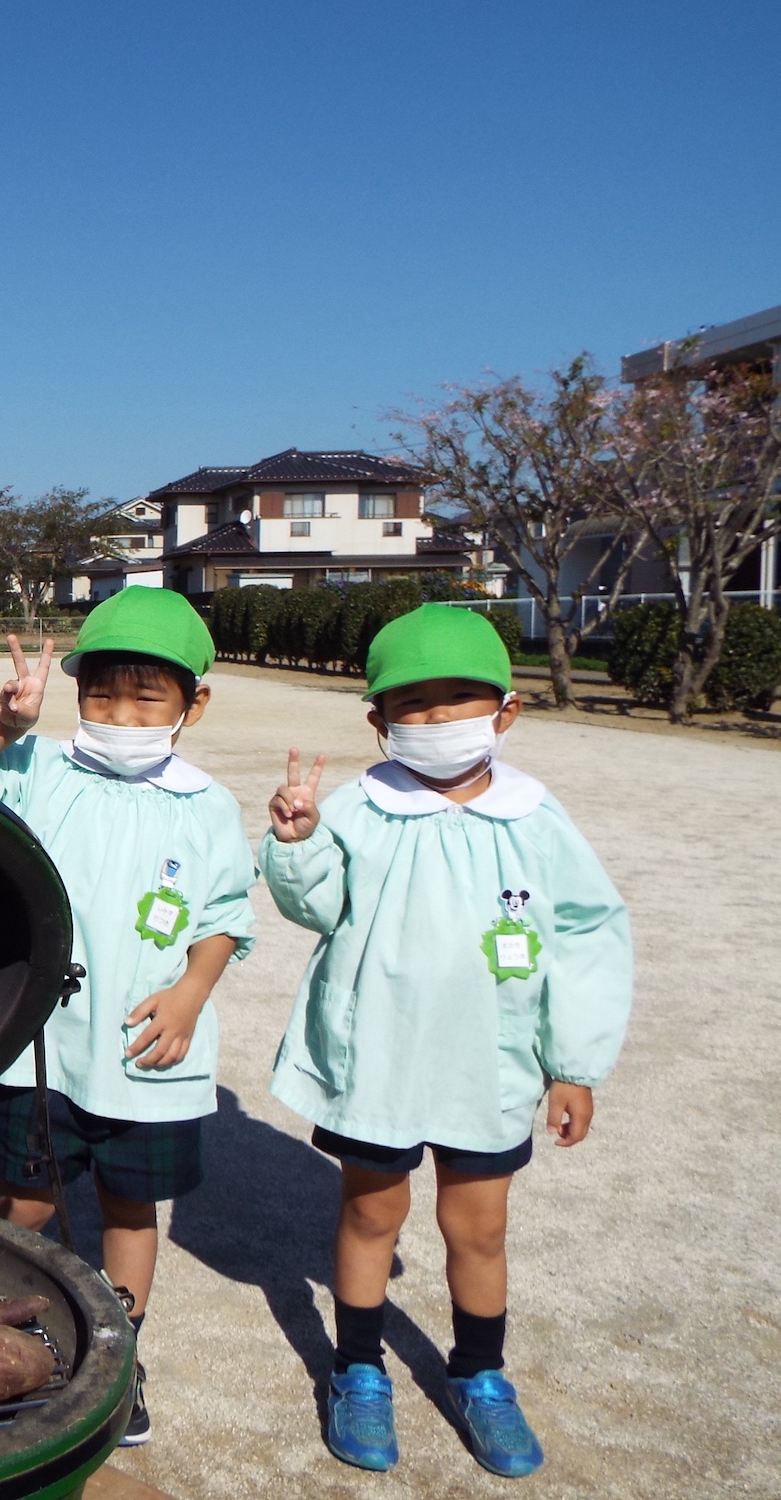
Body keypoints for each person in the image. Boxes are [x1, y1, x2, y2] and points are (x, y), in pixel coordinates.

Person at [262, 603, 631, 1479]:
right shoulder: (360, 807)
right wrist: (300, 843)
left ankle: (481, 1375)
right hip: (375, 1057)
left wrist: (574, 1064)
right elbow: (317, 908)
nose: (435, 721)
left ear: (506, 711)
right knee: (370, 1212)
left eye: (458, 701)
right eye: (413, 705)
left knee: (480, 1228)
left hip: (489, 1062)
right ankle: (358, 1367)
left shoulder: (536, 819)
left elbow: (587, 933)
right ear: (378, 721)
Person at [0, 588, 255, 1447]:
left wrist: (192, 994)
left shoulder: (205, 806)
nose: (119, 712)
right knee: (24, 1201)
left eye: (146, 695)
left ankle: (122, 1356)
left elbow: (224, 917)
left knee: (128, 1211)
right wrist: (4, 727)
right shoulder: (39, 770)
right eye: (101, 693)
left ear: (194, 703)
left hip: (149, 1054)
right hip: (42, 1051)